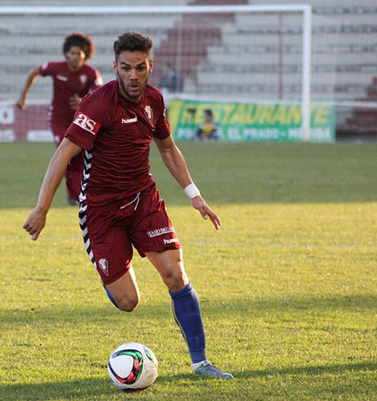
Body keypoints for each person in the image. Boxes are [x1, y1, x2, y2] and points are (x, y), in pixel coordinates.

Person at [23, 32, 232, 379]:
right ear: (115, 67)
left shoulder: (155, 100)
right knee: (128, 302)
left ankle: (201, 362)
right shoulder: (98, 104)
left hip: (142, 199)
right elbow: (63, 154)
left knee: (175, 275)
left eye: (139, 68)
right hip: (101, 210)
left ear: (150, 66)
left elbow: (166, 148)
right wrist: (42, 209)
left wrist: (194, 194)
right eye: (125, 68)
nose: (132, 76)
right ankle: (109, 266)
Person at [16, 32, 103, 205]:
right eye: (72, 53)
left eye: (79, 53)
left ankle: (79, 189)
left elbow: (100, 96)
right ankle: (73, 192)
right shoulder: (56, 68)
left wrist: (83, 101)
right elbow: (34, 72)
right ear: (66, 54)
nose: (75, 57)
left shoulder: (91, 73)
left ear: (85, 55)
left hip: (81, 121)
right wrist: (23, 97)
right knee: (65, 153)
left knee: (80, 155)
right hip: (58, 120)